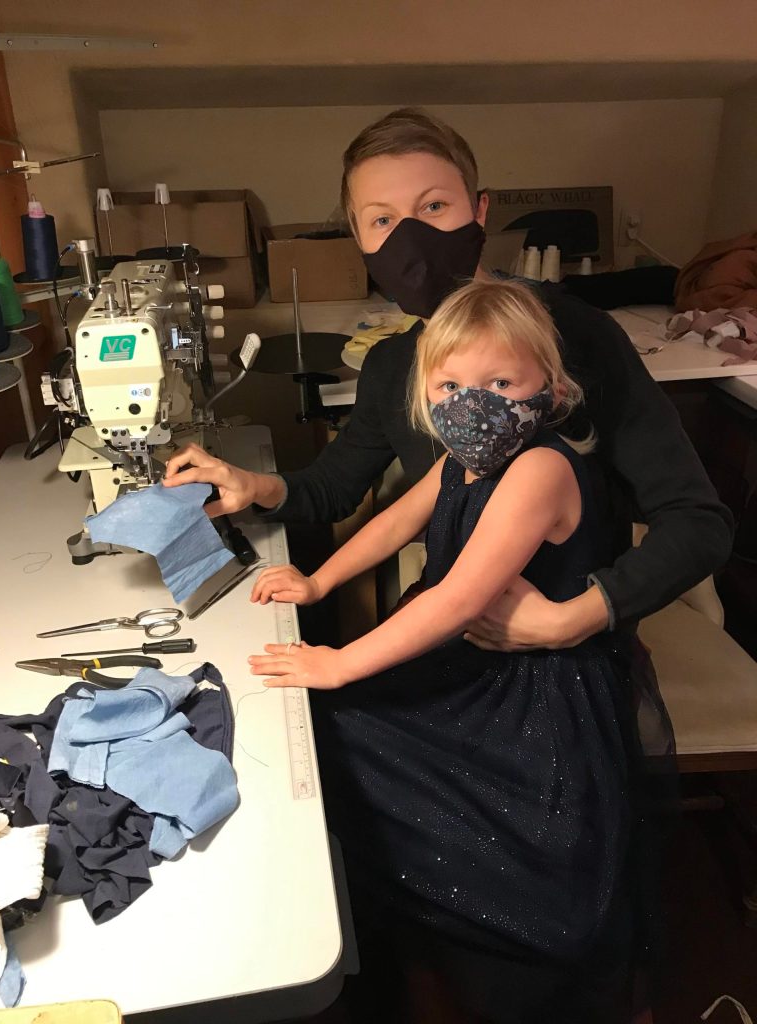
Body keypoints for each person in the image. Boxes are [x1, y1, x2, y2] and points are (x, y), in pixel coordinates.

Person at [164, 106, 732, 653]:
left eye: (433, 206)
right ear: (359, 239)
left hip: (567, 651)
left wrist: (571, 621)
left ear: (479, 211)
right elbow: (334, 488)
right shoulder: (392, 365)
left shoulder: (577, 337)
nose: (409, 236)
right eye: (382, 220)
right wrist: (254, 487)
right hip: (451, 630)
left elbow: (698, 522)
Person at [247, 279, 644, 1023]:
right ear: (425, 392)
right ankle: (400, 932)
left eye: (501, 384)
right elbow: (396, 521)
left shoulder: (540, 469)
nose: (473, 404)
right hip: (474, 663)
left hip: (534, 695)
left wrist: (339, 661)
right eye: (451, 386)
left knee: (341, 728)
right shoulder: (458, 461)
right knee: (329, 728)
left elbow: (457, 598)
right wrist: (318, 579)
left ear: (551, 389)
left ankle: (434, 942)